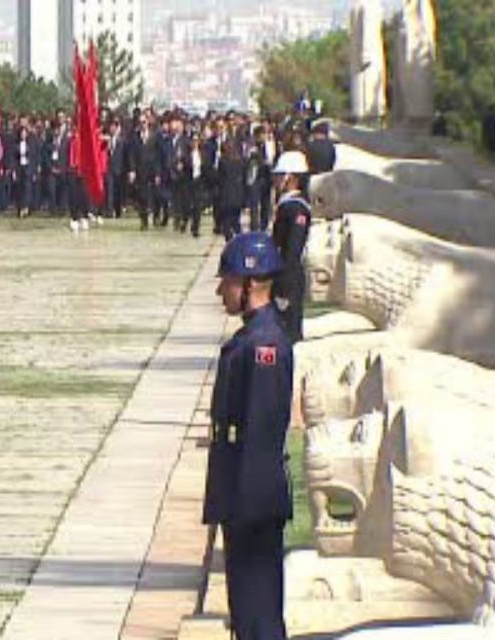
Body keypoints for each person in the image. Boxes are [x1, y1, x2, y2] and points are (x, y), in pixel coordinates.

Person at [202, 231, 293, 640]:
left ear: (252, 284)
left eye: (229, 280)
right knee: (246, 611)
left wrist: (244, 505)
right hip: (240, 491)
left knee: (258, 616)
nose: (223, 289)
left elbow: (262, 427)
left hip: (252, 498)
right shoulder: (252, 338)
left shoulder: (264, 345)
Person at [269, 150, 313, 343]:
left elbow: (292, 249)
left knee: (288, 332)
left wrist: (284, 284)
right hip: (281, 272)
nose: (276, 181)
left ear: (291, 177)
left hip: (288, 276)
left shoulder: (296, 208)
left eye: (279, 176)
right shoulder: (287, 205)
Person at [216, 138, 248, 240]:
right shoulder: (241, 160)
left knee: (226, 222)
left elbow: (219, 178)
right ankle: (239, 240)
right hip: (238, 194)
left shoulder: (223, 161)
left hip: (226, 195)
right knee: (236, 221)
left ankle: (230, 241)